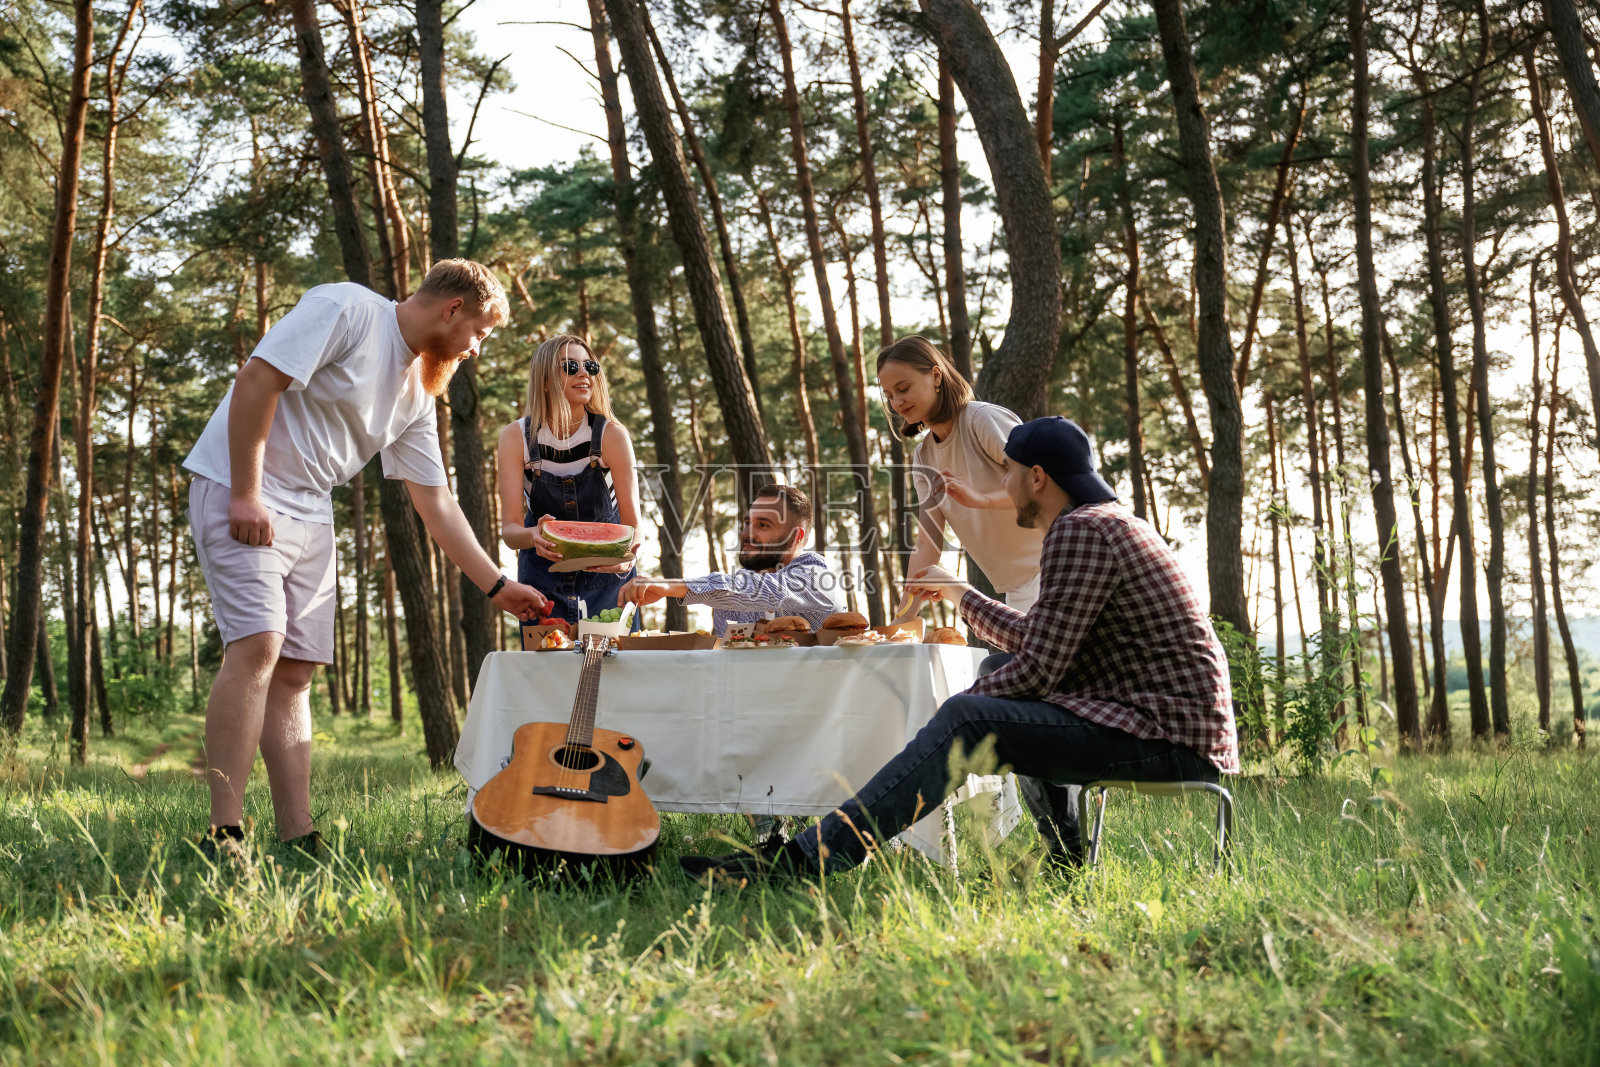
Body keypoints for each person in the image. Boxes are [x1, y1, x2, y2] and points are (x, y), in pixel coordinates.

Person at [680, 417, 1239, 881]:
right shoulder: (1102, 522)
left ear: (1037, 477)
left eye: (1009, 473)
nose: (1003, 487)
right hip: (1162, 722)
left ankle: (802, 862)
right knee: (994, 671)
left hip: (1164, 734)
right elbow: (1036, 643)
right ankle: (1067, 863)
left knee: (967, 717)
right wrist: (958, 592)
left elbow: (1041, 668)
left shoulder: (1081, 532)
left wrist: (955, 711)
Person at [184, 260, 549, 858]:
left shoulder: (418, 391)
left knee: (296, 670)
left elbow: (434, 501)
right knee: (258, 646)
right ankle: (225, 830)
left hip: (310, 507)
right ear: (453, 308)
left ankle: (296, 833)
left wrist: (495, 586)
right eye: (479, 333)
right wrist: (246, 494)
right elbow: (257, 380)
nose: (476, 349)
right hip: (239, 485)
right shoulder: (348, 309)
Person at [877, 336, 1045, 612]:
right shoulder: (923, 457)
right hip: (1017, 589)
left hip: (1056, 567)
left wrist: (982, 499)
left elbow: (1041, 481)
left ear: (935, 376)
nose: (896, 402)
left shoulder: (980, 419)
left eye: (903, 388)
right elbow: (927, 539)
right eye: (889, 395)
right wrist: (905, 616)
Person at [496, 335, 643, 627]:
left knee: (613, 670)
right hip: (541, 581)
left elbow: (633, 527)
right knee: (548, 671)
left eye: (590, 366)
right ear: (546, 381)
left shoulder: (611, 436)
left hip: (607, 579)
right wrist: (532, 536)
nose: (584, 373)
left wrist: (627, 559)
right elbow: (511, 530)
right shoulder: (516, 438)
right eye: (570, 366)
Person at [618, 484, 841, 636]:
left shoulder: (817, 578)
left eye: (763, 525)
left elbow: (767, 592)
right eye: (747, 523)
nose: (746, 533)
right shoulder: (729, 598)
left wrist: (672, 586)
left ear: (796, 537)